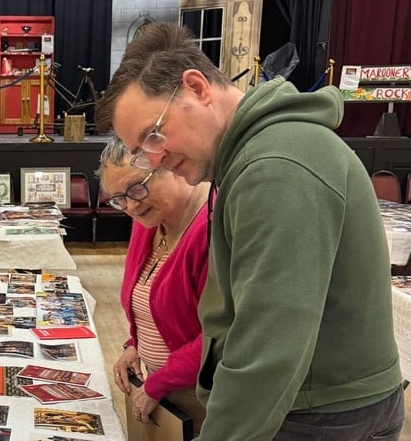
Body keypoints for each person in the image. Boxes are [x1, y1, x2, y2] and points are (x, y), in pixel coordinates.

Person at [95, 22, 404, 440]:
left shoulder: (275, 166)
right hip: (310, 405)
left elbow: (268, 347)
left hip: (316, 414)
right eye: (141, 150)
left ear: (197, 88)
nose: (156, 158)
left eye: (154, 135)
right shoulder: (254, 158)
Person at [96, 139, 210, 437]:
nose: (131, 206)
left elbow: (220, 335)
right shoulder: (149, 221)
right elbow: (149, 305)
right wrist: (134, 345)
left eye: (137, 188)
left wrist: (160, 382)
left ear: (170, 167)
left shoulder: (211, 225)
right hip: (165, 387)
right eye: (118, 198)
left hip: (202, 393)